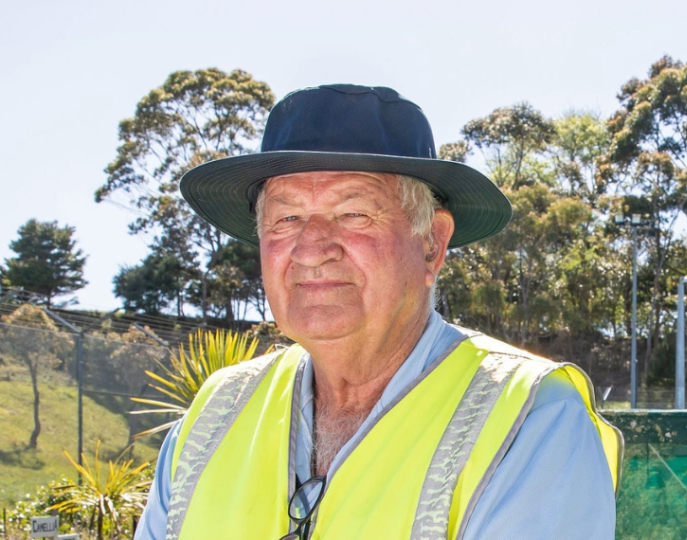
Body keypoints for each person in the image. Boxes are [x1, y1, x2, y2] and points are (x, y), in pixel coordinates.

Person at [135, 84, 623, 540]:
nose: (311, 248)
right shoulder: (213, 416)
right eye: (287, 218)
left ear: (432, 244)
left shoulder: (531, 416)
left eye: (353, 213)